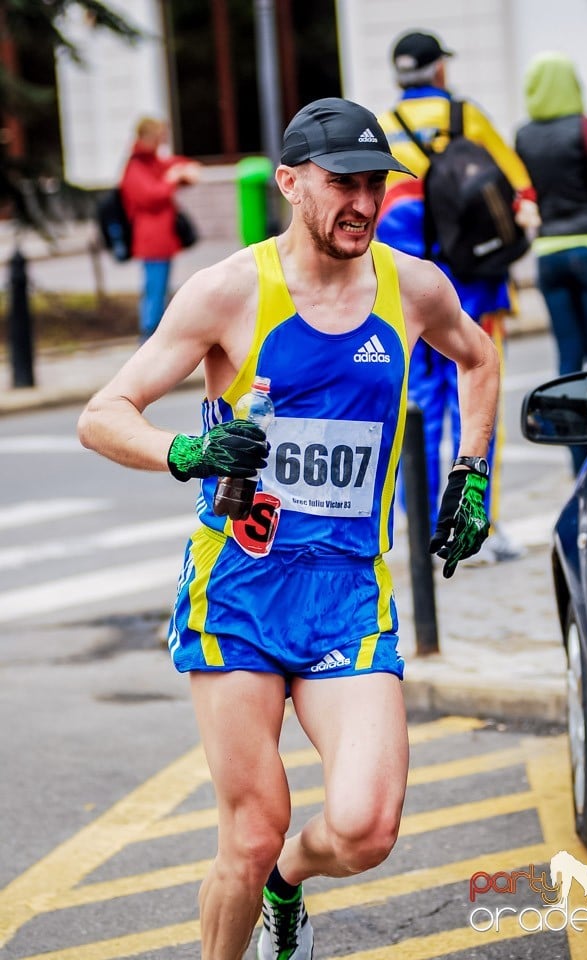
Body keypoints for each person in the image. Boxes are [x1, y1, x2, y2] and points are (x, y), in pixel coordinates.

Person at [77, 97, 499, 960]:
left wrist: (472, 471)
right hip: (239, 589)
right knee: (252, 829)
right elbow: (102, 413)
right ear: (291, 184)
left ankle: (287, 889)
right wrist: (188, 451)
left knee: (367, 828)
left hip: (347, 593)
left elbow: (480, 358)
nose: (364, 202)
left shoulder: (412, 286)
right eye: (344, 183)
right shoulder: (229, 291)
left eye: (375, 184)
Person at [377, 30, 540, 558]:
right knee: (478, 405)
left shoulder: (381, 131)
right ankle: (473, 527)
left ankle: (421, 523)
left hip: (406, 291)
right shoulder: (467, 119)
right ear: (439, 72)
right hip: (472, 286)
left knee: (419, 407)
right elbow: (519, 189)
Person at [515, 52, 587, 475]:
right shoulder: (585, 127)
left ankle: (578, 460)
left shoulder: (523, 136)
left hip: (550, 253)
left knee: (568, 359)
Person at [120, 116, 201, 340]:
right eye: (158, 138)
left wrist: (182, 170)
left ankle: (155, 333)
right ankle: (149, 335)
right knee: (154, 289)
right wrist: (173, 178)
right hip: (151, 239)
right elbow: (151, 195)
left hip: (161, 237)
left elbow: (176, 164)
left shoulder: (151, 162)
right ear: (148, 137)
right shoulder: (136, 166)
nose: (161, 144)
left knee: (159, 287)